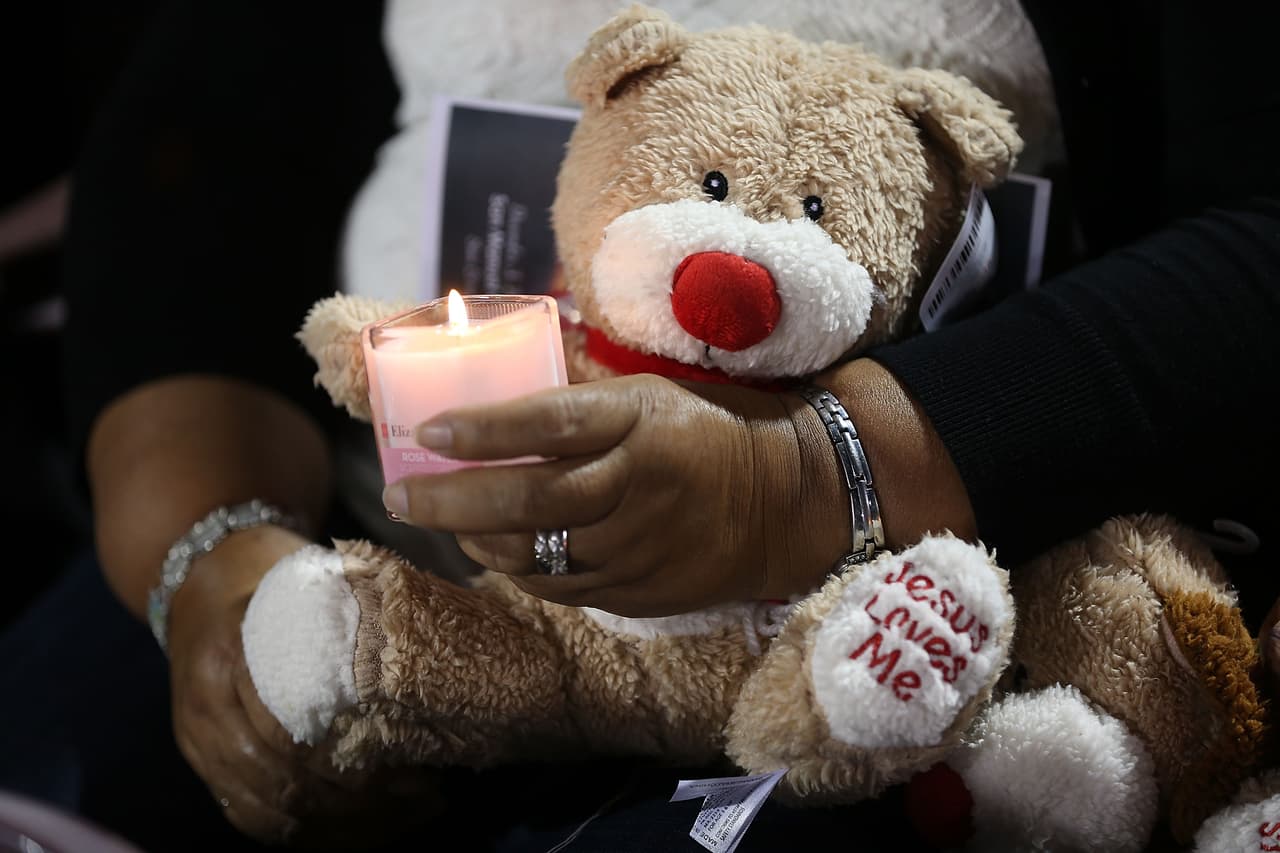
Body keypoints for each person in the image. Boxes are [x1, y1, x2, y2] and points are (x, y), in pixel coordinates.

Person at [2, 1, 1275, 852]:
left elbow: (1253, 243)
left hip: (903, 593)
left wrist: (808, 476)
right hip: (355, 547)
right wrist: (207, 562)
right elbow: (197, 162)